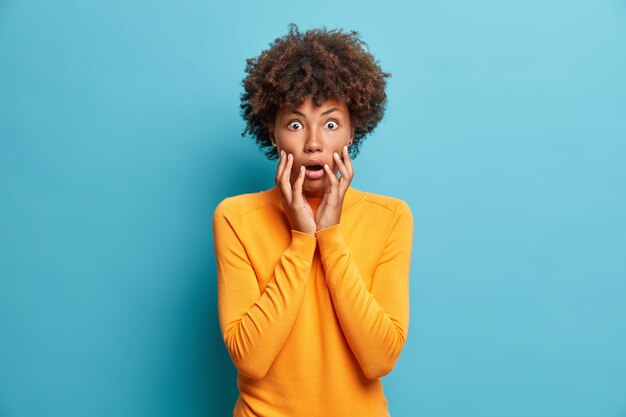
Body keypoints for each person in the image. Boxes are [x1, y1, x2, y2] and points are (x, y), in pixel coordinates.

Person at [212, 23, 414, 417]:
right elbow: (251, 360)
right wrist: (303, 239)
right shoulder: (236, 217)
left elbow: (379, 360)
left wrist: (331, 237)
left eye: (331, 123)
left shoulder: (391, 218)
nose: (314, 143)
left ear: (353, 131)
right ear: (272, 134)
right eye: (295, 124)